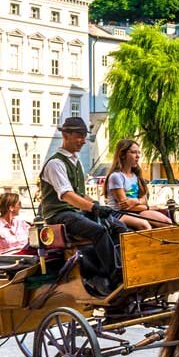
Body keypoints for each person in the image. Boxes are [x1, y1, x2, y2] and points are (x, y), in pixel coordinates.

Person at [38, 116, 127, 296]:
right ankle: (116, 275)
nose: (83, 140)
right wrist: (93, 208)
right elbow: (66, 195)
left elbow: (78, 193)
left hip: (75, 211)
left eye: (84, 135)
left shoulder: (76, 162)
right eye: (79, 135)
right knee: (98, 231)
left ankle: (117, 267)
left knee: (119, 226)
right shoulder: (55, 163)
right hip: (59, 215)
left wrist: (97, 204)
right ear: (65, 135)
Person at [105, 138, 173, 231]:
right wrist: (148, 207)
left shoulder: (136, 176)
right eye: (133, 152)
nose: (137, 156)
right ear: (122, 155)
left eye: (138, 153)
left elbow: (143, 199)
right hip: (119, 213)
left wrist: (135, 201)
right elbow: (125, 206)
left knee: (167, 222)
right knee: (144, 225)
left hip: (137, 210)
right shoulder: (116, 176)